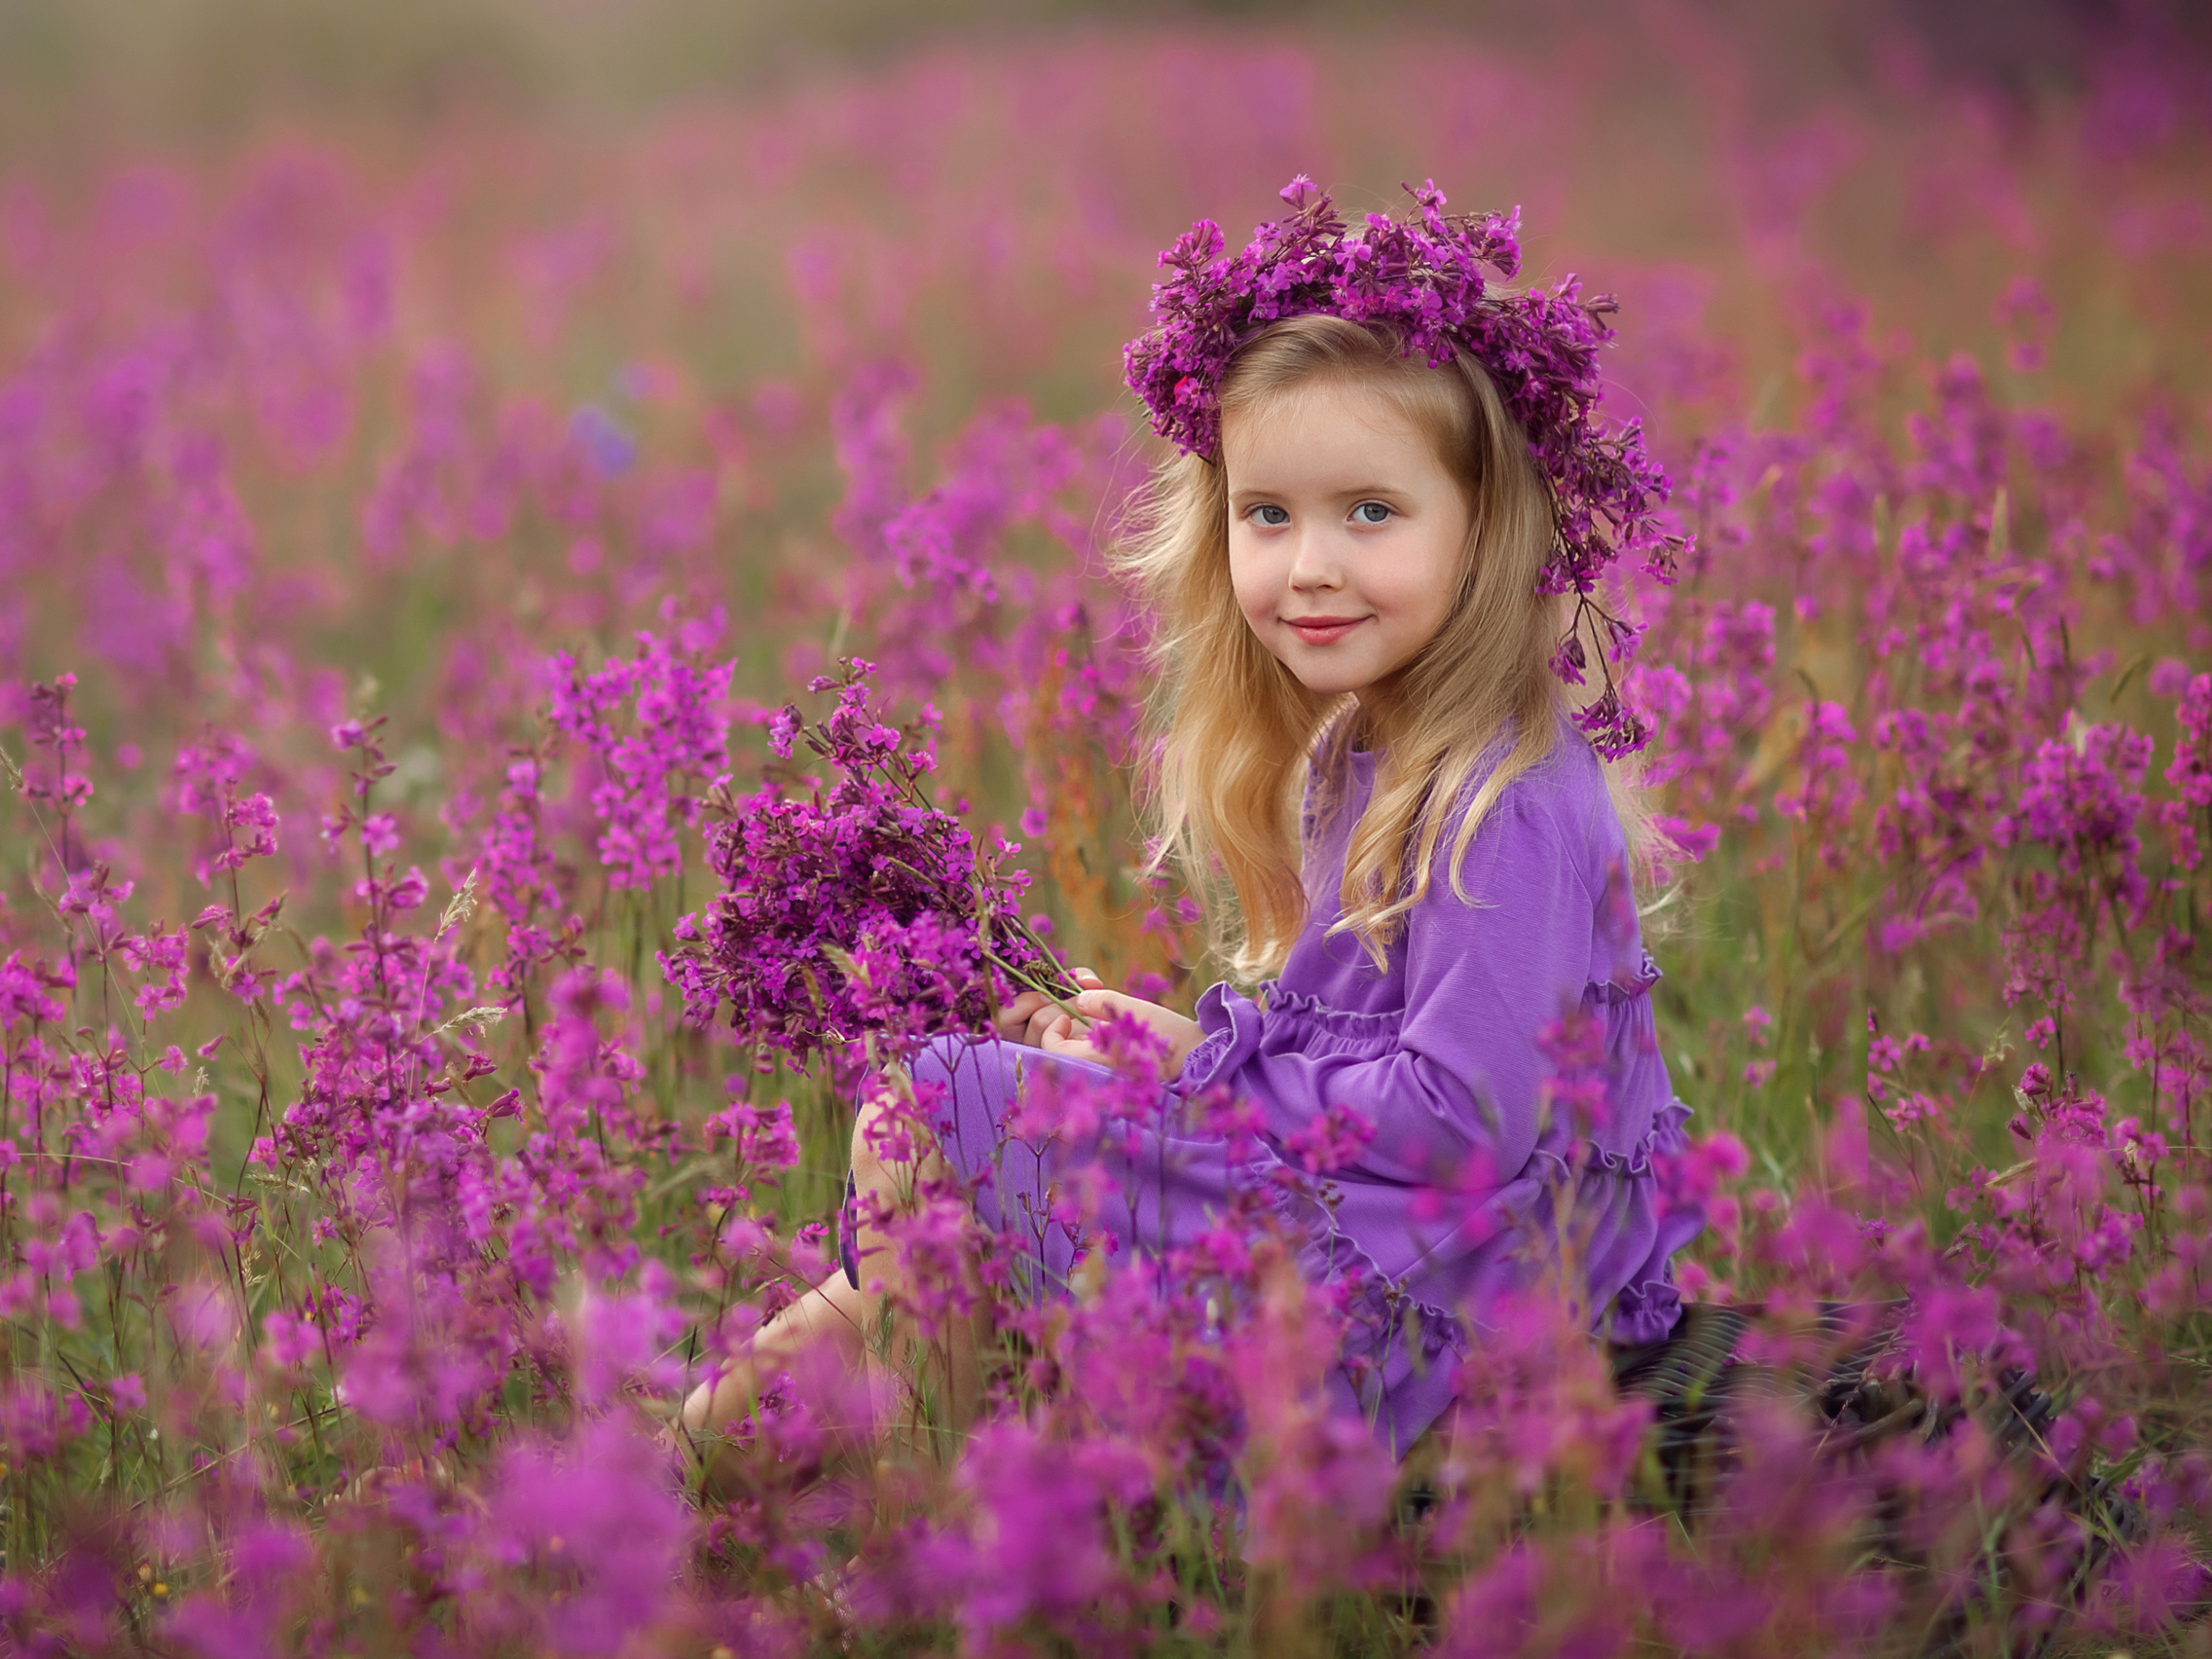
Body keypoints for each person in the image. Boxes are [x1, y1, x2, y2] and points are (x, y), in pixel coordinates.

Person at [679, 177, 1704, 1461]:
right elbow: (1368, 1044)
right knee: (951, 1127)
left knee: (939, 1116)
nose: (1310, 563)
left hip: (1459, 1284)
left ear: (1487, 530)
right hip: (1393, 1220)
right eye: (1268, 515)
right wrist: (1180, 1048)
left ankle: (896, 1531)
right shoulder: (1362, 755)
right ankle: (697, 1467)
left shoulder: (1502, 792)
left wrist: (1207, 1071)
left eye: (1370, 513)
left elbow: (1467, 1118)